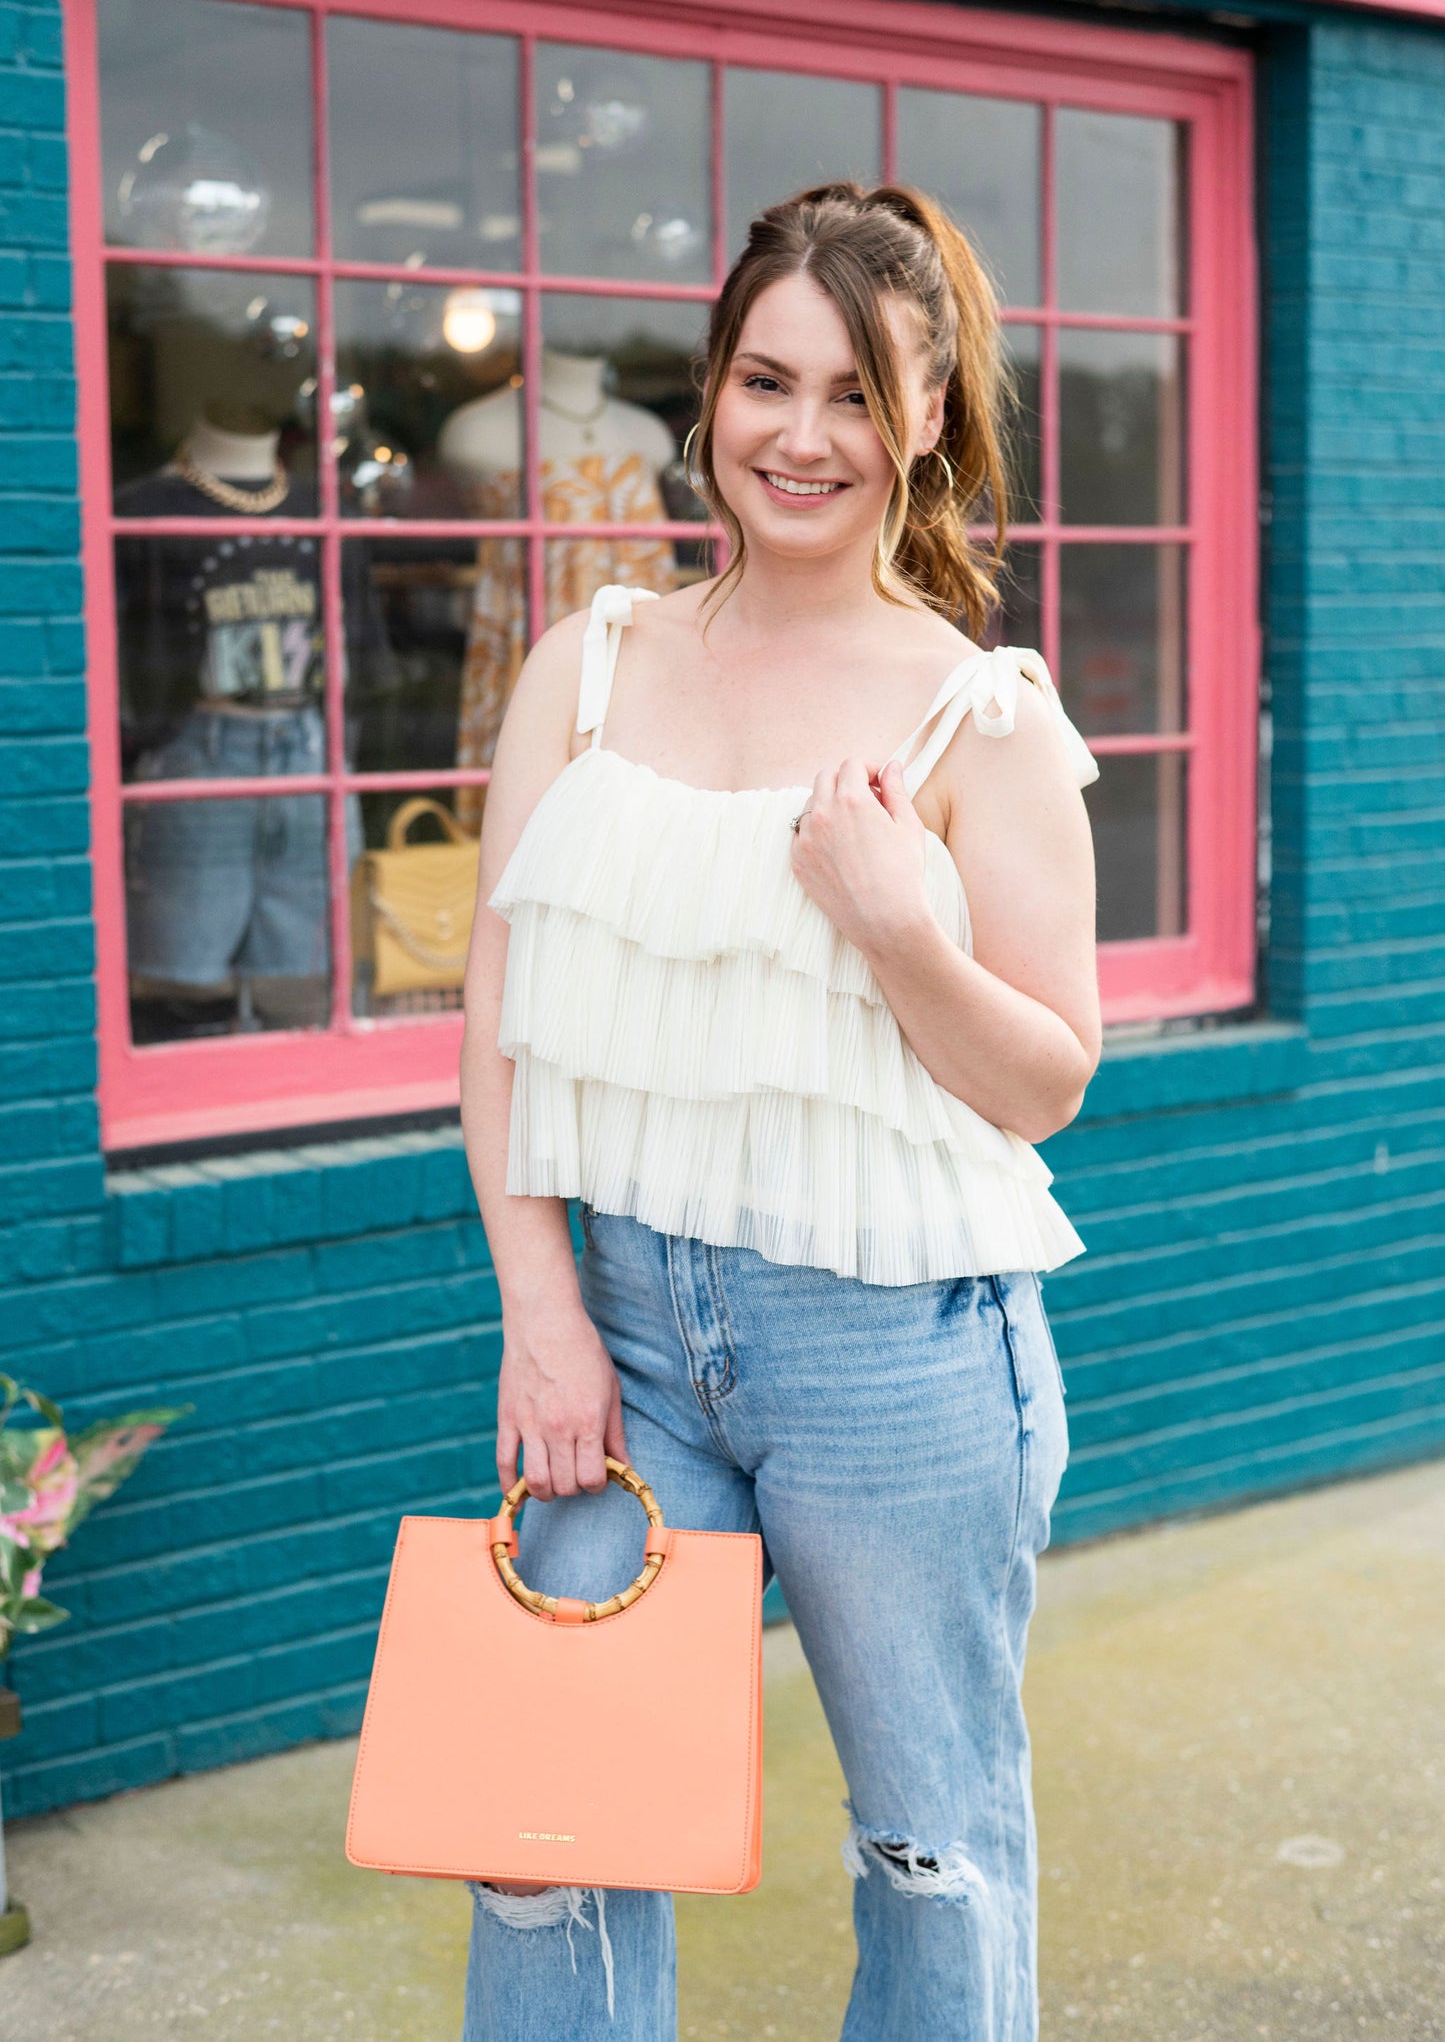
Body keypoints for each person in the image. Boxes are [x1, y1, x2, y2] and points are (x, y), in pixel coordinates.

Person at [458, 183, 1101, 2042]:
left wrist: (904, 930)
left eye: (849, 392)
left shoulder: (976, 719)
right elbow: (500, 1015)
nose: (797, 435)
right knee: (541, 1825)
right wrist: (542, 1310)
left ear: (920, 420)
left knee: (929, 1848)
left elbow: (1046, 1076)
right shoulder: (586, 669)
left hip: (899, 1360)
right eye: (763, 380)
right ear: (710, 398)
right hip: (631, 1344)